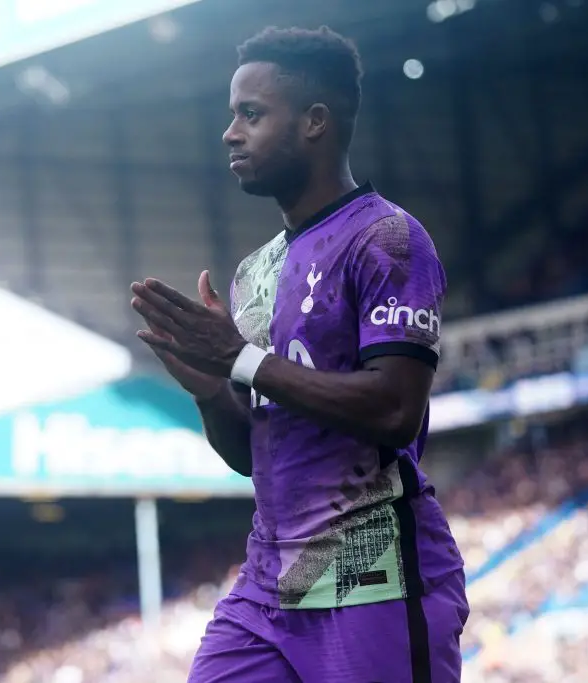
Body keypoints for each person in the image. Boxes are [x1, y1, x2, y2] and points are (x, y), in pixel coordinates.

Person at [130, 26, 467, 683]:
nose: (230, 132)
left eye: (250, 114)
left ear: (315, 122)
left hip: (375, 580)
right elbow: (252, 457)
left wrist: (242, 359)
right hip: (269, 586)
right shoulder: (253, 275)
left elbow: (397, 409)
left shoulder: (388, 237)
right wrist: (210, 389)